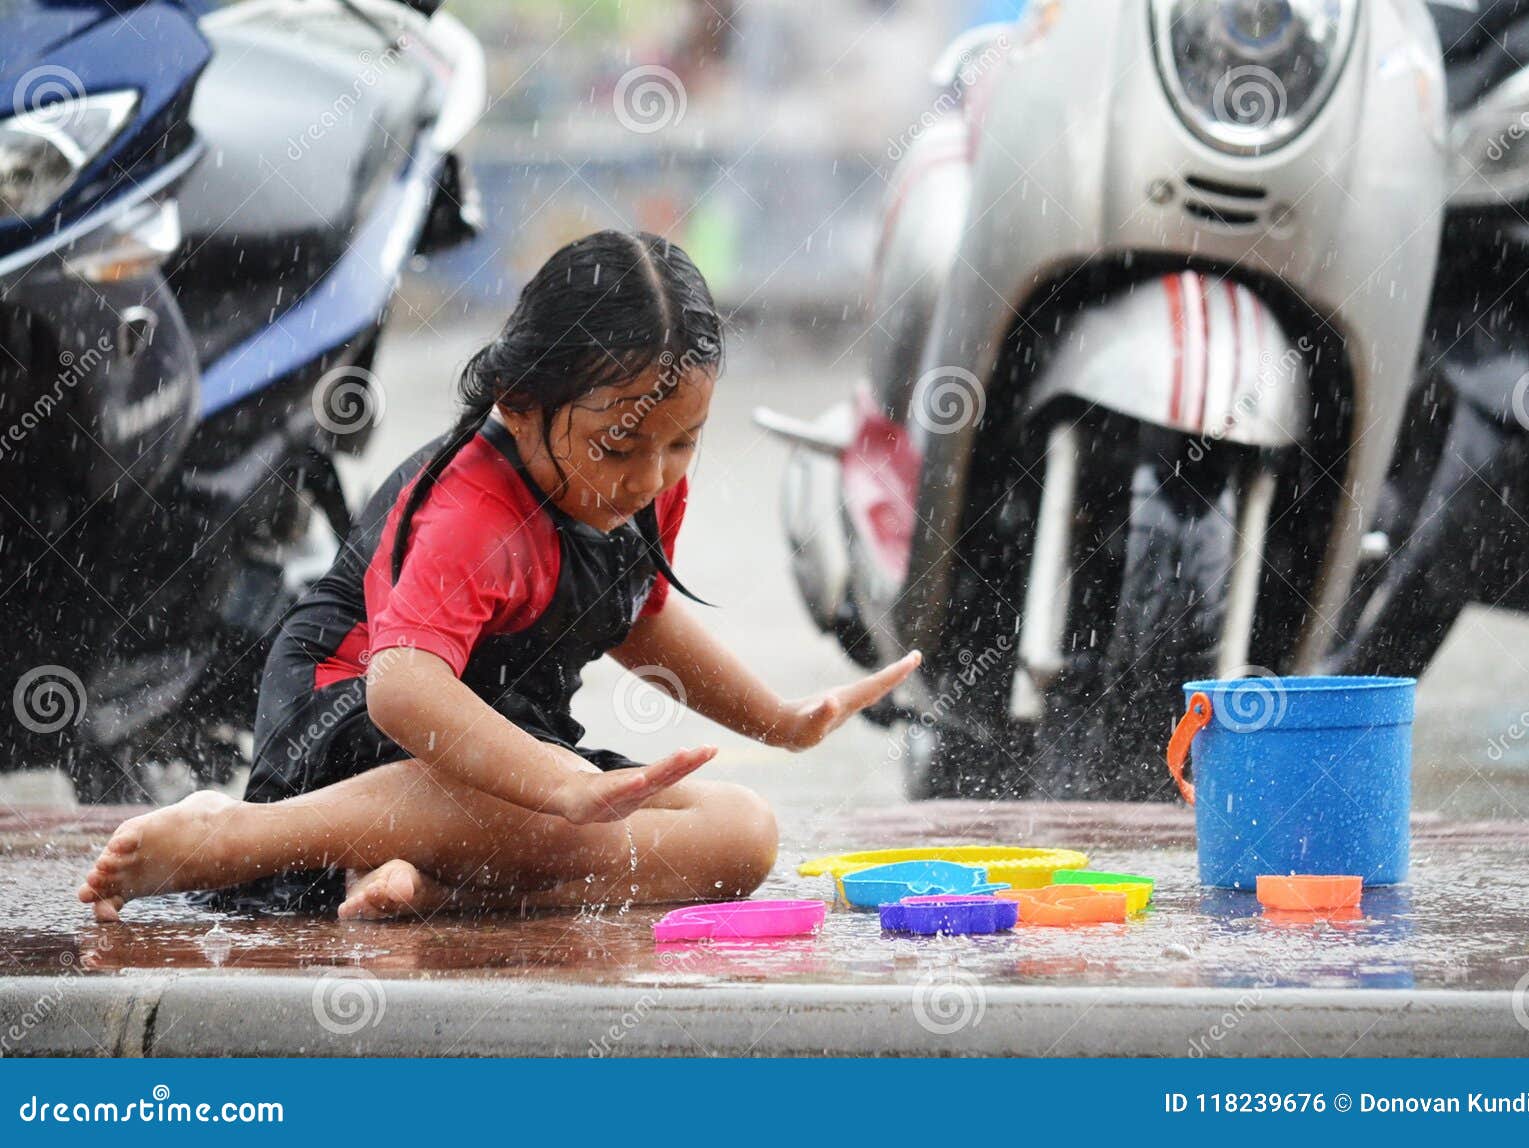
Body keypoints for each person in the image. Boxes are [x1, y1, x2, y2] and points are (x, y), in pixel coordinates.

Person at [78, 229, 918, 922]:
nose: (651, 476)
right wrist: (558, 784)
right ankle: (240, 838)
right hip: (352, 730)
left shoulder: (645, 483)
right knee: (543, 812)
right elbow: (402, 691)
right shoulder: (472, 513)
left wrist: (779, 721)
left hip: (504, 746)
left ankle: (423, 881)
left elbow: (639, 615)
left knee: (743, 837)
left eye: (682, 440)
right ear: (517, 402)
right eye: (618, 445)